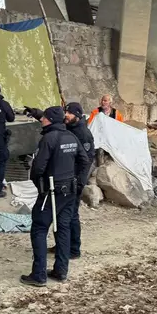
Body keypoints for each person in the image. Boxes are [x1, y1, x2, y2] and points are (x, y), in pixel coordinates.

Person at [21, 106, 89, 287]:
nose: (41, 119)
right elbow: (84, 160)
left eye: (43, 117)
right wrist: (78, 183)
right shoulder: (71, 136)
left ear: (50, 119)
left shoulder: (49, 138)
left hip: (51, 191)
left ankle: (39, 275)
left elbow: (37, 168)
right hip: (69, 191)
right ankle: (61, 271)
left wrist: (40, 186)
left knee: (39, 229)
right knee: (63, 228)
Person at [56, 102, 94, 260]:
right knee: (61, 214)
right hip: (66, 179)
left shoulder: (83, 133)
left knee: (71, 215)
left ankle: (74, 248)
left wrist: (79, 181)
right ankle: (62, 244)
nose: (66, 115)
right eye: (65, 112)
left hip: (75, 180)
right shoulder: (69, 128)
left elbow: (86, 160)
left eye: (69, 113)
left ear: (77, 115)